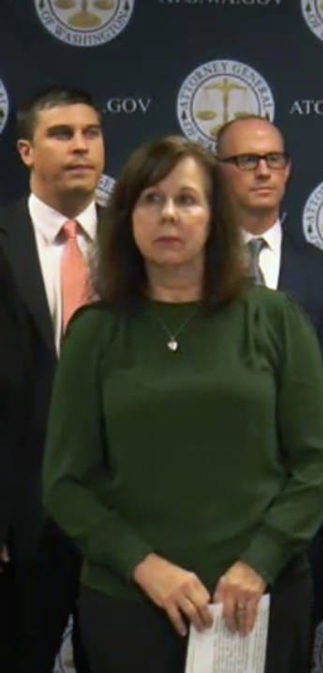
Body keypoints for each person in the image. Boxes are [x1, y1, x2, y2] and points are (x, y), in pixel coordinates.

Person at [41, 135, 323, 673]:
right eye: (150, 200)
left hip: (253, 602)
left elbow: (315, 465)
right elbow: (65, 484)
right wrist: (144, 566)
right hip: (131, 606)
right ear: (127, 217)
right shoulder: (96, 332)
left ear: (215, 216)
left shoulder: (275, 320)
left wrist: (258, 562)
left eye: (187, 199)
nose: (168, 215)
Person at [0, 84, 105, 673]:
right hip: (19, 515)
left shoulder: (137, 243)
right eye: (61, 134)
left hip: (121, 515)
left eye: (91, 133)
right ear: (25, 152)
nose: (80, 147)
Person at [215, 115, 323, 423]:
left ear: (286, 170)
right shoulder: (195, 264)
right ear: (218, 172)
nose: (263, 172)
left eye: (273, 159)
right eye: (248, 160)